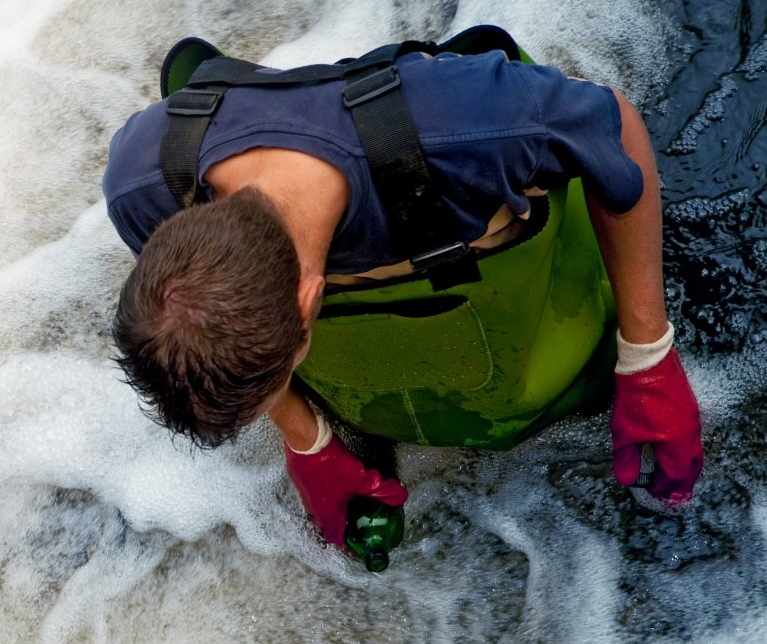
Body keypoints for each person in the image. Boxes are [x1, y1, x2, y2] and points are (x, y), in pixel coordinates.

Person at [101, 33, 705, 549]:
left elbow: (617, 126)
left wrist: (648, 353)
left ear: (310, 303)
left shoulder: (466, 134)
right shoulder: (141, 184)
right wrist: (306, 440)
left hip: (441, 133)